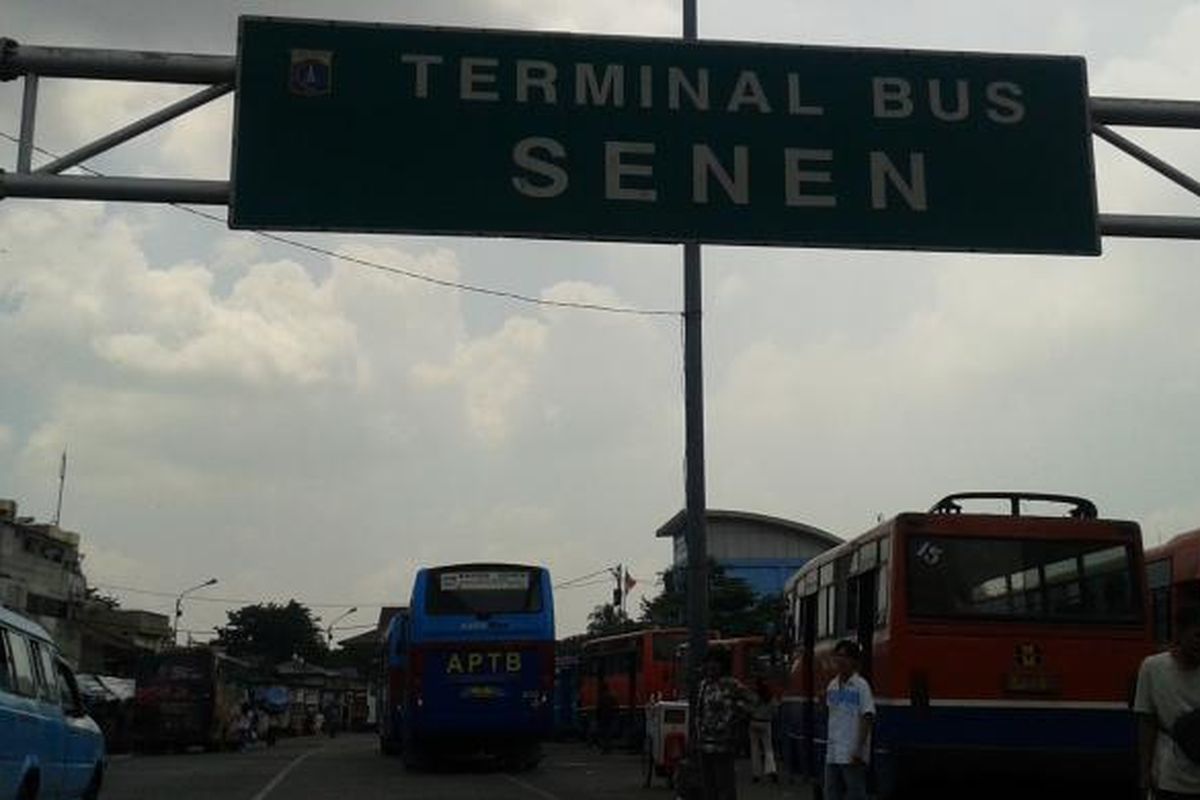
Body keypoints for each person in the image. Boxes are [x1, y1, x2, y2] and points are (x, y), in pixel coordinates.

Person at [1136, 606, 1200, 798]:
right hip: (1168, 779)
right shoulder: (1152, 667)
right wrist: (1145, 773)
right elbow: (1147, 722)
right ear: (1180, 632)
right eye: (1198, 636)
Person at [696, 649, 755, 800]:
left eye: (715, 663)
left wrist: (735, 715)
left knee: (725, 785)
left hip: (724, 743)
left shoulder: (731, 685)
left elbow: (752, 701)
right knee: (708, 786)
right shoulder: (703, 685)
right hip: (704, 743)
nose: (710, 666)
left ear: (722, 665)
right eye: (708, 663)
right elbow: (699, 712)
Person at [824, 640, 875, 800]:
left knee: (856, 794)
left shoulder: (861, 686)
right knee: (831, 793)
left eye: (844, 656)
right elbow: (831, 714)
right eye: (837, 656)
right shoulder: (832, 686)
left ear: (854, 661)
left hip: (852, 753)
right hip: (833, 752)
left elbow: (867, 716)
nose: (840, 660)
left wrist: (859, 748)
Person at [748, 676, 779, 784]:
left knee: (754, 749)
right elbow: (775, 710)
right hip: (766, 723)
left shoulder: (753, 695)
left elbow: (748, 708)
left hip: (754, 722)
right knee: (768, 748)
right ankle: (771, 771)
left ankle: (756, 775)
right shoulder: (770, 696)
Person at [596, 679, 618, 754]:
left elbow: (598, 708)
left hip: (604, 716)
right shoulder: (611, 696)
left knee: (604, 733)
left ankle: (605, 748)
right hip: (610, 716)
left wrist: (598, 717)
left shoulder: (601, 697)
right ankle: (608, 748)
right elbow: (616, 705)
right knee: (609, 733)